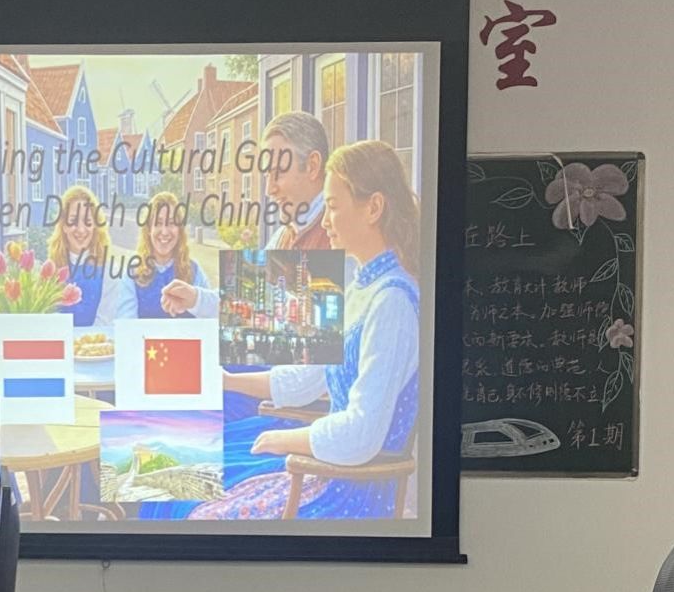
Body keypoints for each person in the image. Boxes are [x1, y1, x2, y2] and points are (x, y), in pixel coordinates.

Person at [189, 139, 421, 520]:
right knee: (173, 470)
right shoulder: (361, 286)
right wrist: (228, 381)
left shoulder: (391, 301)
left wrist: (285, 440)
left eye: (332, 206)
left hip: (348, 487)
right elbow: (307, 378)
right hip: (326, 461)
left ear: (374, 208)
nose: (325, 220)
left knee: (193, 501)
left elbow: (362, 432)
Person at [116, 192, 217, 320]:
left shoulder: (194, 270)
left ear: (180, 230)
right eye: (158, 223)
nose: (164, 232)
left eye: (171, 223)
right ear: (148, 230)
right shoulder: (132, 272)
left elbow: (210, 318)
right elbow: (126, 322)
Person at [261, 111, 332, 252]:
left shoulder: (340, 236)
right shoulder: (283, 236)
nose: (269, 190)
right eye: (267, 175)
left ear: (312, 166)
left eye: (278, 172)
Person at [48, 184, 118, 326]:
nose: (81, 230)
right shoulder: (51, 269)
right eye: (73, 221)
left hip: (98, 339)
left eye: (87, 222)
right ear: (64, 226)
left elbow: (105, 321)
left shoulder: (109, 269)